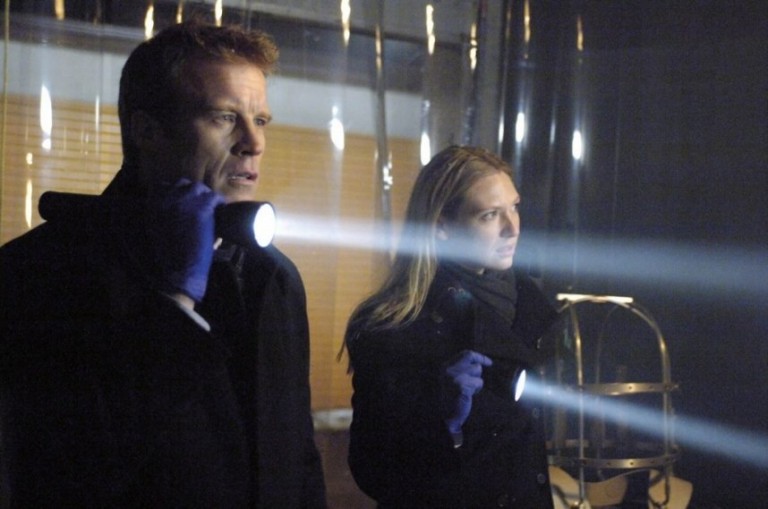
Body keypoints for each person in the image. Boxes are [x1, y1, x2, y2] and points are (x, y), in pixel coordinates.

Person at [0, 19, 326, 508]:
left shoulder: (273, 275)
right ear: (148, 131)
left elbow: (298, 457)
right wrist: (174, 304)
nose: (253, 143)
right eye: (224, 117)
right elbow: (60, 469)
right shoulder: (42, 271)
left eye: (260, 120)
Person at [344, 145, 560, 508]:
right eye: (490, 215)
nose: (512, 228)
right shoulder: (393, 325)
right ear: (442, 226)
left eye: (514, 207)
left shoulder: (527, 306)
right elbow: (372, 469)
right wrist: (441, 420)